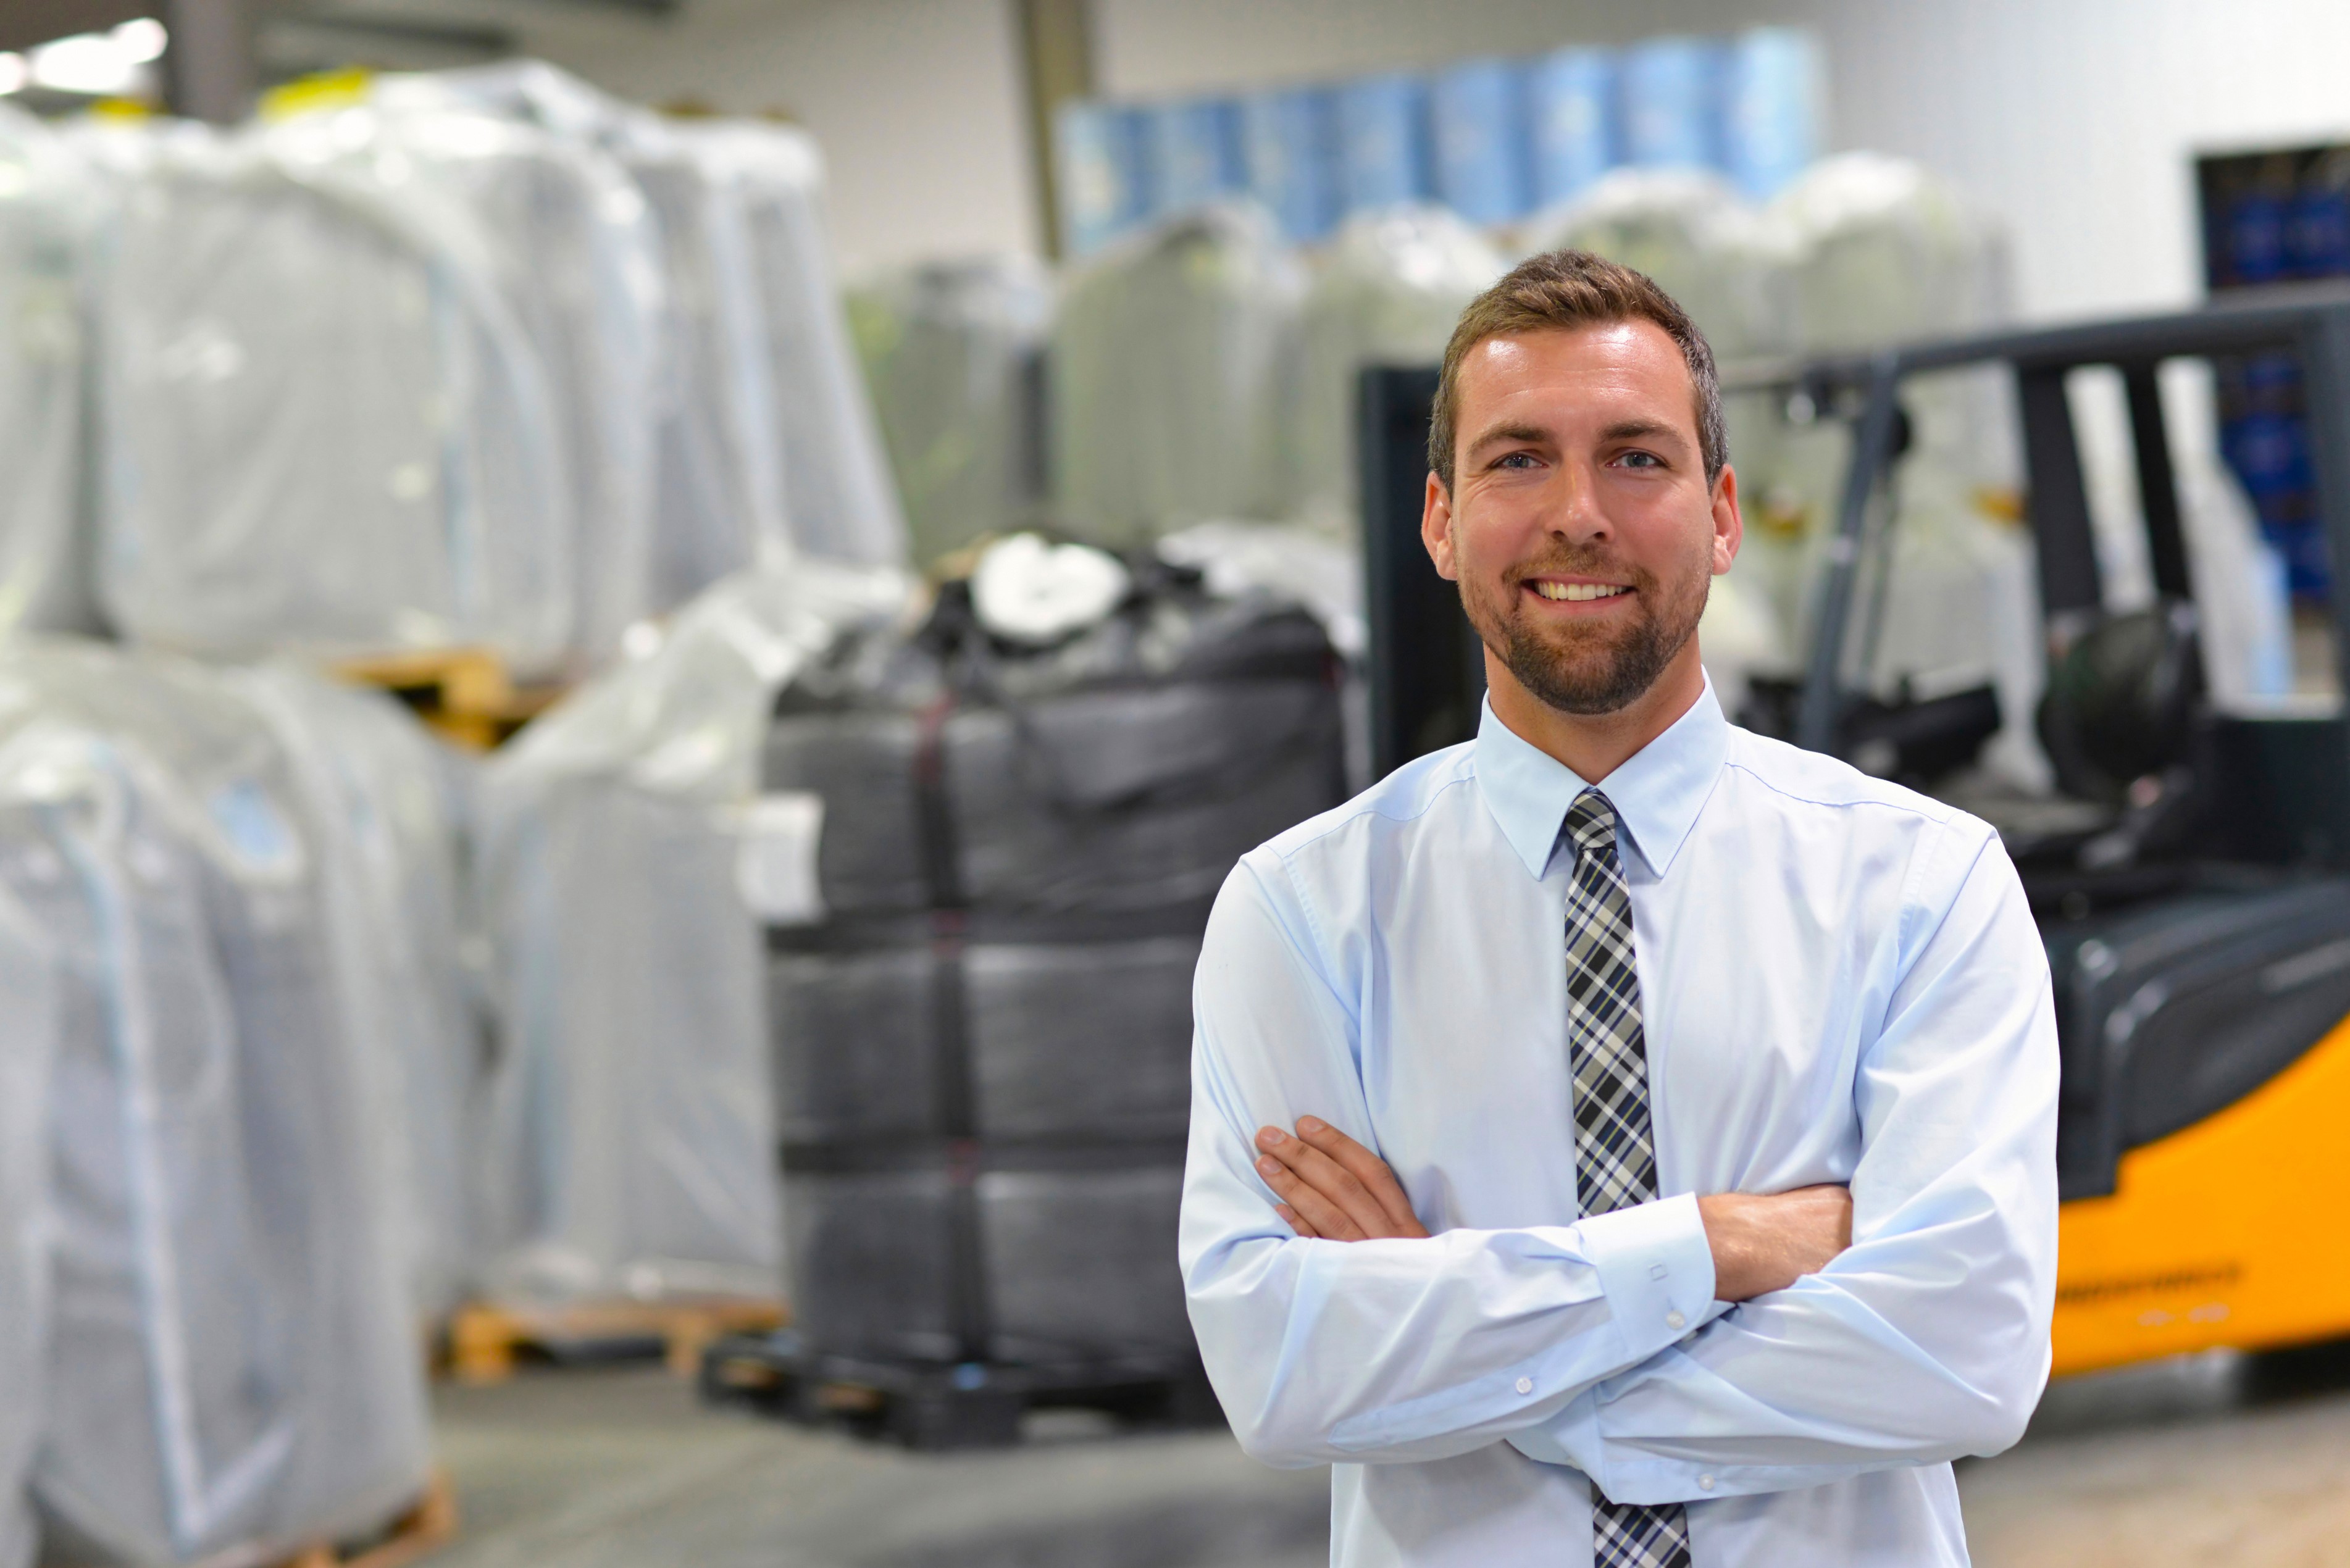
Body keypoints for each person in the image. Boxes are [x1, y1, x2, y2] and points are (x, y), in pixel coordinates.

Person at [1179, 249, 2057, 1567]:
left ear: (1720, 515)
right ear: (1437, 517)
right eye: (1518, 459)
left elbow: (1965, 1352)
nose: (1578, 513)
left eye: (1636, 459)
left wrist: (1468, 1351)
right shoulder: (1299, 915)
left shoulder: (1927, 885)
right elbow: (1281, 1369)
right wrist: (1715, 1248)